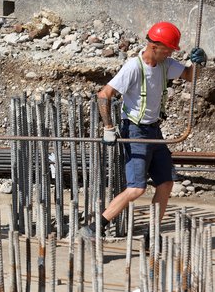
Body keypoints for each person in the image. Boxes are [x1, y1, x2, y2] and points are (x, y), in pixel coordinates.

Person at [78, 21, 206, 240]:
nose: (170, 53)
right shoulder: (133, 67)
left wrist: (200, 63)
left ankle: (151, 235)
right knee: (136, 189)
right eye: (167, 49)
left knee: (166, 183)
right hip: (135, 131)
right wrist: (109, 127)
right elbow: (104, 94)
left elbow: (190, 76)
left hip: (154, 131)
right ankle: (94, 227)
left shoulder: (165, 64)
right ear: (154, 46)